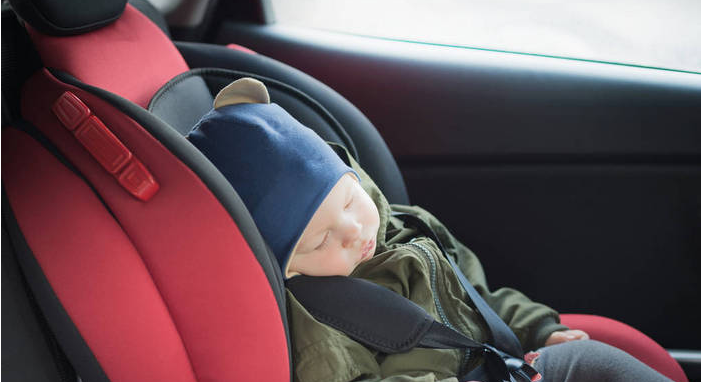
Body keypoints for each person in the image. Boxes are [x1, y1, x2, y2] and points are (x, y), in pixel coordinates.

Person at [187, 78, 672, 382]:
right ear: (284, 265)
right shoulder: (317, 328)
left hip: (506, 361)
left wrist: (540, 328)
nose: (355, 231)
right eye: (320, 241)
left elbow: (480, 298)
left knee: (595, 361)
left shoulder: (404, 231)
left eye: (352, 201)